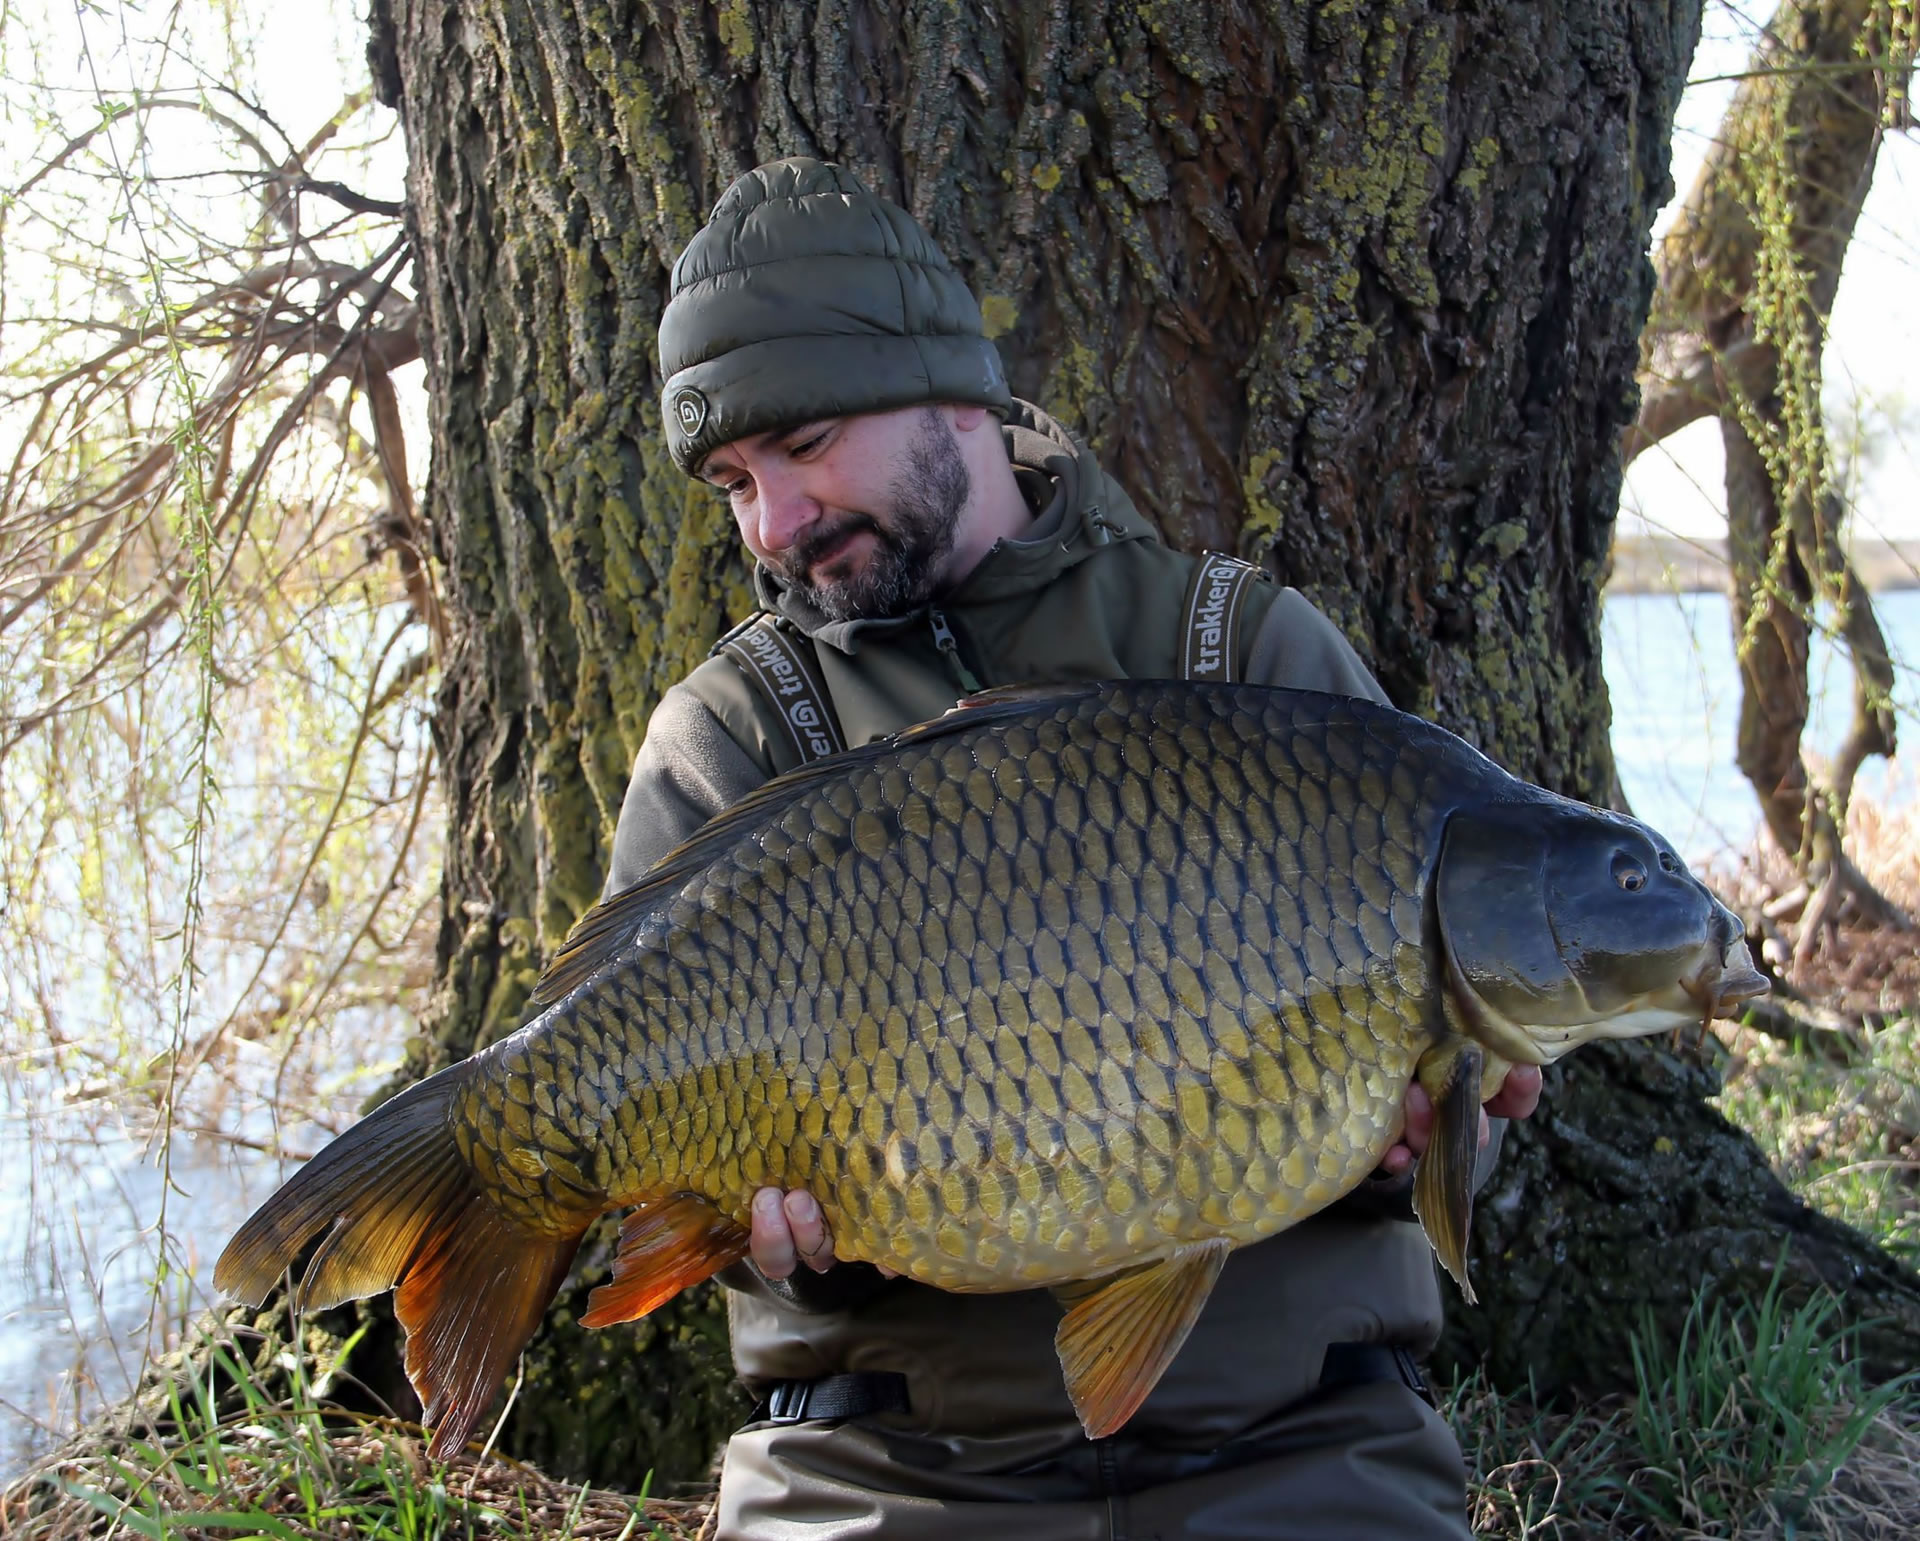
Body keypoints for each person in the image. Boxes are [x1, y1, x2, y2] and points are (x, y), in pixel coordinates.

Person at [607, 157, 1541, 1540]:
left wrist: (1429, 1141)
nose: (774, 523)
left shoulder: (1240, 651)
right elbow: (674, 1183)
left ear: (954, 388)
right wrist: (773, 1250)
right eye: (736, 481)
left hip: (1297, 1446)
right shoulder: (733, 738)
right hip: (884, 1476)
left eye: (804, 447)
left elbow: (1471, 1086)